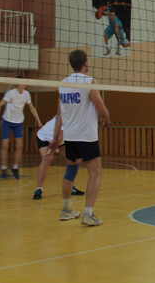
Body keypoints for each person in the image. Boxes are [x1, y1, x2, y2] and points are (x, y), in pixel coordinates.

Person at [49, 50, 110, 226]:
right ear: (85, 63)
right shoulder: (89, 82)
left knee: (71, 170)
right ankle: (88, 214)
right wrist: (106, 119)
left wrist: (55, 138)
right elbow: (101, 108)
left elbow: (60, 114)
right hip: (86, 136)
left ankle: (66, 210)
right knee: (96, 173)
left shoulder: (63, 84)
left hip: (69, 136)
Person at [0, 78, 43, 179]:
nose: (25, 83)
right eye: (22, 82)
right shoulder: (11, 93)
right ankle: (3, 168)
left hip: (18, 122)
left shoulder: (26, 94)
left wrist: (38, 120)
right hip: (7, 121)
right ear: (18, 84)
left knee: (19, 145)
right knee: (5, 145)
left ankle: (15, 167)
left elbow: (31, 108)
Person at [33, 115, 85, 200]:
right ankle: (38, 189)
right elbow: (58, 138)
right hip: (45, 137)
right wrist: (51, 152)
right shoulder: (66, 117)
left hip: (59, 140)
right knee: (47, 160)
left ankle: (70, 187)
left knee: (74, 160)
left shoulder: (78, 118)